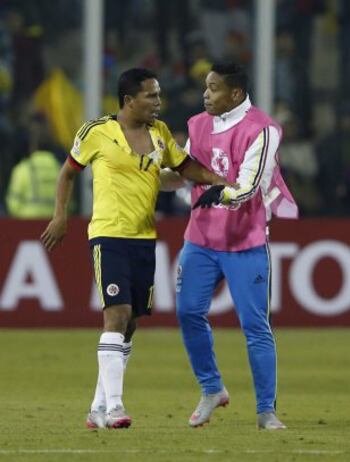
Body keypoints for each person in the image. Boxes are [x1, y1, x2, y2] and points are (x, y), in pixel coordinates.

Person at [40, 68, 229, 430]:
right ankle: (114, 407)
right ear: (129, 100)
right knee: (118, 313)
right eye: (152, 96)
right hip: (108, 235)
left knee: (131, 324)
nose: (159, 103)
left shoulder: (159, 134)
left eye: (158, 95)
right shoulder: (96, 132)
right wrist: (60, 216)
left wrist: (220, 180)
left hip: (144, 238)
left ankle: (96, 407)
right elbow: (67, 173)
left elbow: (186, 167)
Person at [175, 63, 298, 430]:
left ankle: (266, 411)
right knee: (187, 312)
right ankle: (212, 388)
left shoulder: (263, 129)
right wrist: (154, 174)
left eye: (213, 88)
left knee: (255, 326)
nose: (206, 94)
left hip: (245, 241)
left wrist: (219, 193)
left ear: (236, 94)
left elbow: (249, 185)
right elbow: (183, 171)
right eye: (205, 87)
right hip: (199, 239)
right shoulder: (197, 125)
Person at [6, 113, 61, 218]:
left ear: (31, 144)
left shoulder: (22, 170)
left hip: (26, 227)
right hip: (54, 229)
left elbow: (12, 205)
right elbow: (70, 205)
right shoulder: (61, 170)